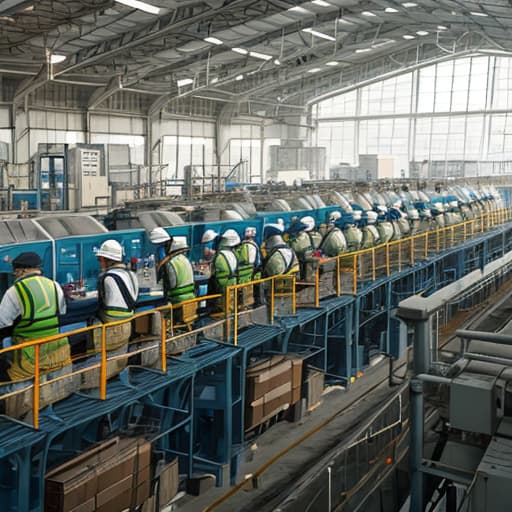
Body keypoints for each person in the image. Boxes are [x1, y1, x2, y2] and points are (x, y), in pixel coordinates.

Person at [0, 252, 70, 381]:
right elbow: (62, 311)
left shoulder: (15, 291)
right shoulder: (55, 285)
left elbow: (3, 322)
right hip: (57, 350)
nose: (14, 274)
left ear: (23, 271)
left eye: (16, 271)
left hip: (28, 356)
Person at [92, 239, 138, 357]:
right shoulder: (132, 274)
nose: (99, 262)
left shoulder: (107, 277)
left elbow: (101, 302)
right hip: (128, 323)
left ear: (107, 260)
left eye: (100, 259)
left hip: (112, 324)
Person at [150, 228, 197, 328]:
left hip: (178, 302)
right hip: (191, 300)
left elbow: (170, 284)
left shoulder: (171, 264)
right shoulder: (185, 260)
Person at [209, 229, 240, 313]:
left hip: (222, 290)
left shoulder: (220, 256)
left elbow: (212, 273)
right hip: (233, 287)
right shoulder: (234, 254)